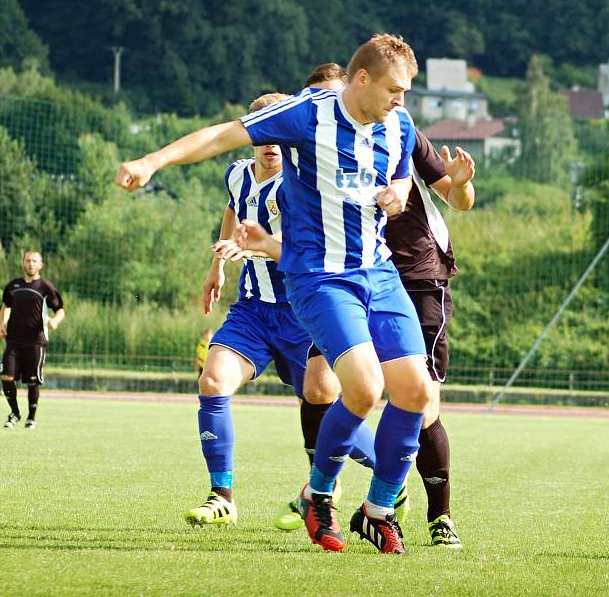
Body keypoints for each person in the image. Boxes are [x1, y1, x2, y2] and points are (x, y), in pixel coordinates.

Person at [116, 34, 431, 554]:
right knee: (363, 389)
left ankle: (377, 508)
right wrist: (152, 162)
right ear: (361, 79)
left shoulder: (397, 122)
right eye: (395, 90)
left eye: (406, 92)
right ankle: (319, 495)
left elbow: (401, 175)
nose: (402, 101)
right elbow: (222, 136)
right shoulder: (307, 114)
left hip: (379, 272)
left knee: (416, 393)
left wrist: (400, 190)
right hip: (320, 278)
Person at [225, 127, 476, 547]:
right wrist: (265, 244)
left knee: (421, 399)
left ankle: (438, 515)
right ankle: (324, 492)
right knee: (321, 384)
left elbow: (458, 199)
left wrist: (462, 183)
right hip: (340, 279)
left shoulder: (400, 133)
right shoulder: (314, 146)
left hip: (415, 278)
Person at [185, 92, 377, 528]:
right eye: (263, 133)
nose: (271, 143)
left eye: (278, 134)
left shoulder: (304, 187)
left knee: (324, 407)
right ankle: (222, 497)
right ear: (252, 135)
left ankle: (390, 471)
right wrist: (217, 264)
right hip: (252, 311)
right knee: (213, 380)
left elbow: (309, 251)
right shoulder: (236, 174)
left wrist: (250, 248)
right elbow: (233, 214)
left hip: (302, 313)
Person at [0, 251, 65, 429]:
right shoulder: (13, 286)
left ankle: (31, 418)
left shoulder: (45, 287)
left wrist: (54, 321)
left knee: (32, 381)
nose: (30, 264)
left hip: (36, 341)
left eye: (34, 261)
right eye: (27, 260)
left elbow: (60, 309)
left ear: (40, 264)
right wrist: (1, 324)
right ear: (23, 263)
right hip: (13, 341)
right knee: (6, 376)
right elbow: (6, 305)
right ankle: (14, 413)